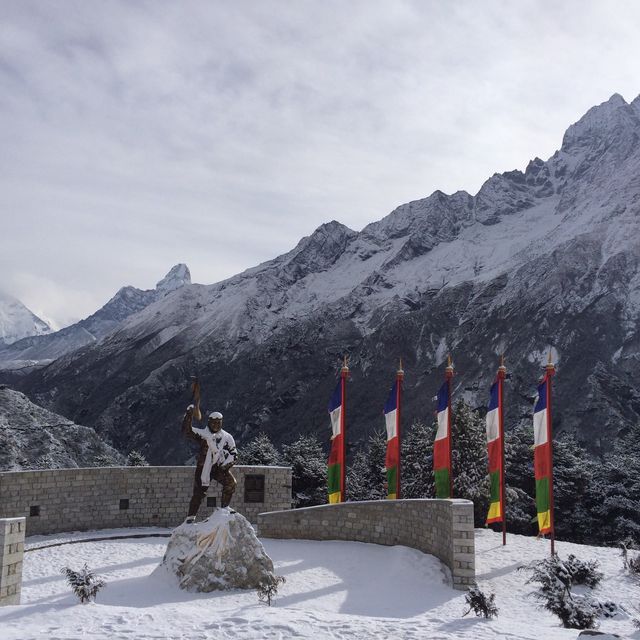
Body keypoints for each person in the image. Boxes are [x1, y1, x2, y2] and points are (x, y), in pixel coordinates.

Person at [182, 405, 238, 522]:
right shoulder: (203, 435)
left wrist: (225, 465)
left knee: (231, 483)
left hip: (219, 468)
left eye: (218, 423)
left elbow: (234, 454)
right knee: (198, 493)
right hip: (204, 468)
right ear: (209, 422)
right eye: (213, 423)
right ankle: (190, 518)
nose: (216, 425)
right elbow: (187, 431)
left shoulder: (227, 437)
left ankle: (224, 508)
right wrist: (189, 415)